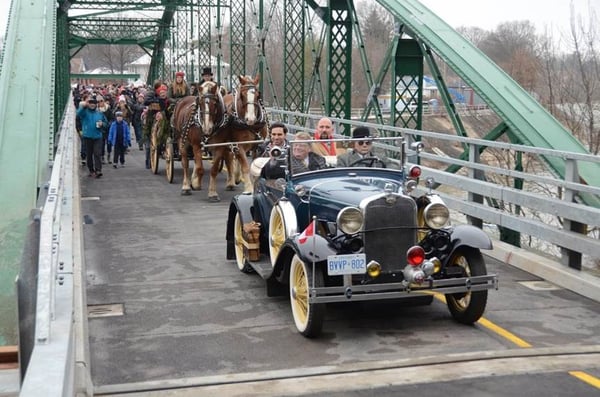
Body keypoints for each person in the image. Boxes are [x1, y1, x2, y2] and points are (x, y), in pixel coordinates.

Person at [261, 131, 326, 179]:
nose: (297, 148)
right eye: (295, 145)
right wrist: (273, 161)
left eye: (301, 145)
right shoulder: (285, 158)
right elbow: (269, 175)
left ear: (309, 148)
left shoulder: (319, 159)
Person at [76, 96, 108, 178]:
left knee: (97, 153)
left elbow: (106, 123)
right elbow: (78, 113)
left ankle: (98, 170)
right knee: (89, 154)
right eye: (91, 104)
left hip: (98, 136)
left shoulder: (100, 114)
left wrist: (102, 124)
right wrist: (83, 106)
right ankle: (91, 170)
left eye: (94, 104)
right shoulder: (85, 113)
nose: (92, 105)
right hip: (87, 136)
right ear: (88, 104)